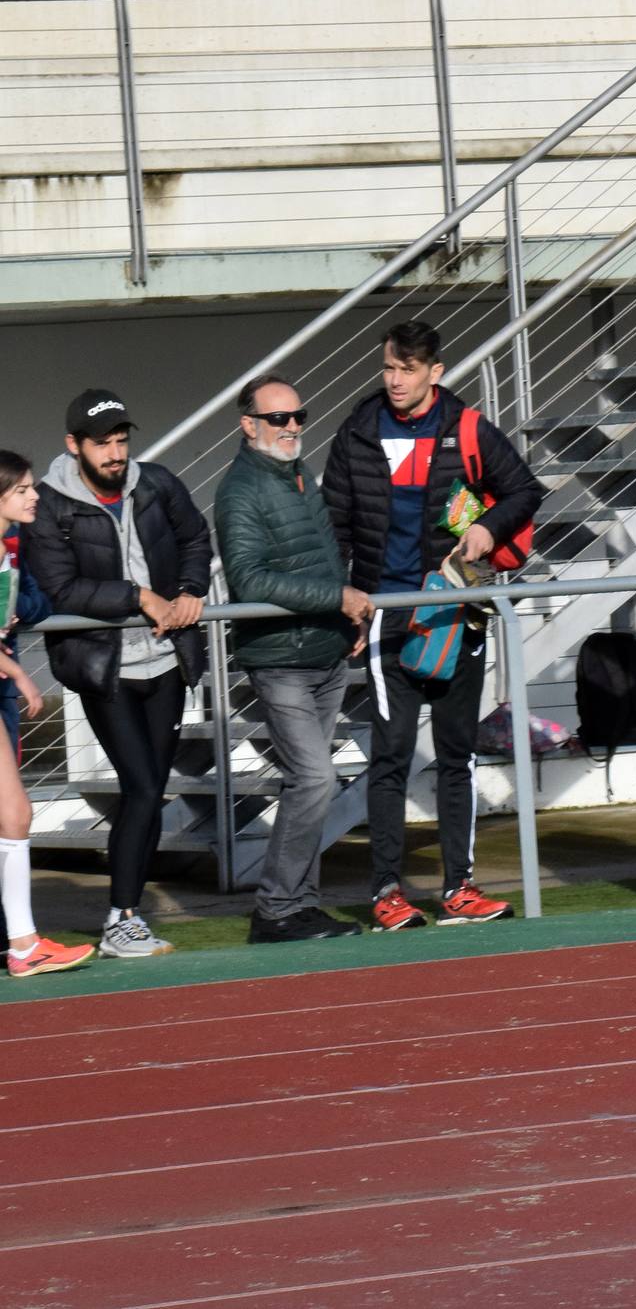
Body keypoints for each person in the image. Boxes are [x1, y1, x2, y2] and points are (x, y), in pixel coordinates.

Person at [323, 320, 542, 930]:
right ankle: (387, 893)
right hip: (386, 619)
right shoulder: (357, 432)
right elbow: (333, 524)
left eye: (408, 369)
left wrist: (489, 528)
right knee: (389, 758)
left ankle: (459, 889)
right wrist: (347, 601)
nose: (395, 380)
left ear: (435, 372)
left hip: (453, 613)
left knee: (457, 755)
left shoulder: (467, 427)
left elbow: (525, 490)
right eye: (389, 368)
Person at [22, 389, 213, 960]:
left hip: (167, 662)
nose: (114, 452)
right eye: (101, 443)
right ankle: (121, 919)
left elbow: (195, 539)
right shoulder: (51, 504)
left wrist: (189, 592)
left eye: (120, 440)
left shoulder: (157, 483)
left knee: (149, 794)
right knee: (143, 786)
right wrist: (140, 597)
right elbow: (62, 589)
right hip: (104, 668)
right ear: (73, 446)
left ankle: (125, 918)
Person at [215, 375, 371, 944]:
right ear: (248, 424)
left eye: (297, 416)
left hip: (324, 650)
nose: (292, 427)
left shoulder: (301, 476)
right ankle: (275, 909)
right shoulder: (240, 491)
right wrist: (338, 598)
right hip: (279, 659)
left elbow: (325, 558)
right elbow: (248, 579)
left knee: (305, 785)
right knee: (315, 778)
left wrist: (342, 615)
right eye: (278, 418)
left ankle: (300, 905)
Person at [0, 449, 96, 980]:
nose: (35, 495)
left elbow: (32, 604)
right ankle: (22, 945)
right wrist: (17, 673)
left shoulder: (10, 552)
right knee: (14, 814)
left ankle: (22, 944)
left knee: (13, 816)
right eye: (23, 490)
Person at [1, 463, 52, 757]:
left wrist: (13, 605)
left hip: (5, 687)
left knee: (12, 799)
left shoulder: (16, 542)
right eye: (22, 490)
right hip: (8, 674)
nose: (34, 496)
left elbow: (41, 602)